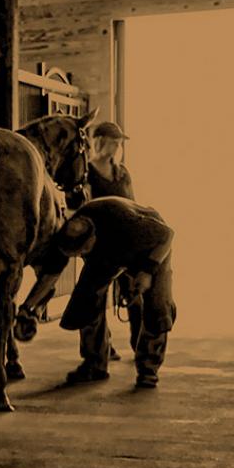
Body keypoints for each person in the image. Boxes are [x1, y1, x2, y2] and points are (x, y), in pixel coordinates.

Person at [15, 197, 176, 389]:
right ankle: (95, 363)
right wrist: (27, 307)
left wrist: (147, 270)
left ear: (92, 238)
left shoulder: (125, 223)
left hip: (151, 248)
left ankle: (148, 369)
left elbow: (167, 234)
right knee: (86, 299)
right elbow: (51, 275)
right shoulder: (67, 235)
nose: (79, 256)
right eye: (75, 255)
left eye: (82, 252)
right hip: (106, 255)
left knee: (158, 305)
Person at [84, 120, 136, 361]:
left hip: (126, 239)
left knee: (134, 294)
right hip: (101, 242)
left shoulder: (122, 172)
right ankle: (101, 349)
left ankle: (140, 345)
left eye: (119, 143)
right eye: (113, 142)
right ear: (100, 142)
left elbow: (132, 202)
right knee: (95, 297)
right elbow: (87, 206)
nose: (117, 147)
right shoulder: (88, 171)